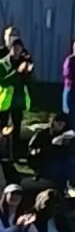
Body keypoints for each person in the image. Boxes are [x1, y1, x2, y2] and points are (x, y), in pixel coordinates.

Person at [28, 114, 75, 199]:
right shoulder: (42, 134)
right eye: (59, 124)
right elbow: (33, 151)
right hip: (44, 163)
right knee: (58, 169)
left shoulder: (66, 135)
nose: (61, 127)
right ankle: (63, 193)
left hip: (62, 163)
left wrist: (68, 144)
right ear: (53, 123)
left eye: (63, 125)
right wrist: (52, 146)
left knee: (73, 163)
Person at [0, 36, 34, 165]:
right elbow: (3, 81)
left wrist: (28, 72)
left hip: (18, 101)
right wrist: (17, 72)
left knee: (16, 128)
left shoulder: (24, 63)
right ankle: (2, 153)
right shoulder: (2, 63)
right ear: (10, 48)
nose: (17, 50)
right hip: (4, 101)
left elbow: (28, 82)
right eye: (14, 48)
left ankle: (15, 155)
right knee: (2, 128)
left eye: (19, 48)